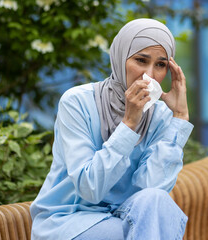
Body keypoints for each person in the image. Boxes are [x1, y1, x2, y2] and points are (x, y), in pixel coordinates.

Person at [30, 18, 193, 240]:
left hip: (127, 218)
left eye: (161, 65)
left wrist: (180, 117)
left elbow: (150, 189)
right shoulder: (77, 102)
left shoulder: (161, 116)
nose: (149, 75)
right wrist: (129, 124)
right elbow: (90, 188)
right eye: (141, 60)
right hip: (69, 220)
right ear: (119, 57)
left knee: (156, 201)